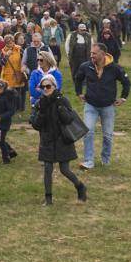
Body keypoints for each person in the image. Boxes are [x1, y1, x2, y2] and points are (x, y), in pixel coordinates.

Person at [30, 76, 88, 205]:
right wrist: (42, 112)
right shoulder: (39, 103)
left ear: (54, 87)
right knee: (47, 168)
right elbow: (36, 125)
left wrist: (60, 108)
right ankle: (48, 199)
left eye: (48, 86)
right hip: (47, 140)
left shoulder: (63, 100)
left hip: (63, 140)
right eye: (43, 87)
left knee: (65, 170)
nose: (45, 89)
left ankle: (80, 186)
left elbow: (68, 120)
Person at [73, 44, 130, 171]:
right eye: (91, 53)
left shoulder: (115, 68)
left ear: (103, 54)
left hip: (108, 107)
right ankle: (88, 161)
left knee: (108, 136)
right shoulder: (85, 66)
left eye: (94, 53)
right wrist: (79, 92)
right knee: (88, 132)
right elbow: (78, 78)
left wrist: (123, 97)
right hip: (90, 105)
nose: (91, 55)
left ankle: (106, 160)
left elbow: (126, 82)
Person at [0, 79, 22, 163]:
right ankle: (11, 151)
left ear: (2, 89)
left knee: (0, 140)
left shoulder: (7, 98)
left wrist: (1, 117)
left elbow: (11, 111)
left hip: (3, 123)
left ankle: (6, 158)